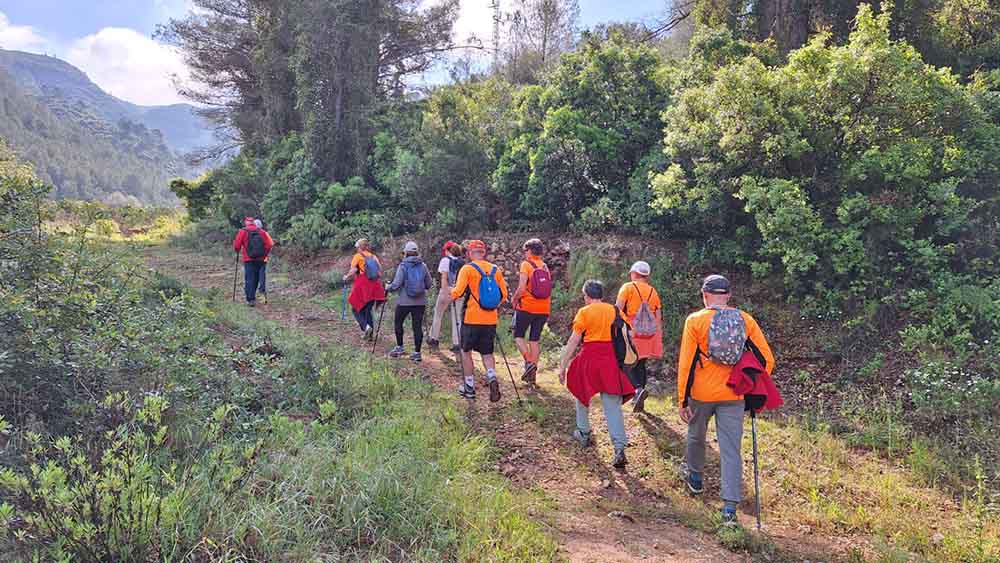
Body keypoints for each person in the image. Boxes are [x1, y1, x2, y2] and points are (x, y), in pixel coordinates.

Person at [677, 274, 775, 525]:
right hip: (734, 394)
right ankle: (730, 508)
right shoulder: (745, 319)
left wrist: (682, 399)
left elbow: (686, 364)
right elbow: (766, 360)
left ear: (704, 295)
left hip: (701, 393)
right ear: (729, 295)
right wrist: (748, 382)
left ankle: (695, 479)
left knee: (696, 435)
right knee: (731, 449)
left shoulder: (695, 321)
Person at [558, 279, 635, 469]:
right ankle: (619, 448)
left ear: (586, 296)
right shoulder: (614, 310)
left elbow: (574, 341)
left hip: (589, 358)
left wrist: (563, 365)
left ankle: (583, 432)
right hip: (609, 359)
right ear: (601, 294)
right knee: (612, 406)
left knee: (580, 392)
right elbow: (628, 335)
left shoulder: (584, 312)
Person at [450, 240, 509, 402]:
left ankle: (469, 387)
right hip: (490, 319)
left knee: (466, 351)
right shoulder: (495, 270)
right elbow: (504, 295)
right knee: (487, 353)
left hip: (472, 318)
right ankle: (491, 376)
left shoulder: (467, 269)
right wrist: (492, 307)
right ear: (483, 253)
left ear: (469, 253)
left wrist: (450, 291)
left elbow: (457, 292)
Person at [615, 261, 664, 413]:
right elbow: (658, 316)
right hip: (648, 334)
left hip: (632, 332)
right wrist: (656, 337)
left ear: (634, 274)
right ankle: (640, 397)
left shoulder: (628, 287)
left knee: (625, 364)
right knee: (641, 365)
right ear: (646, 276)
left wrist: (624, 326)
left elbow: (617, 309)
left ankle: (636, 391)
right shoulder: (653, 291)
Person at [512, 238, 552, 385]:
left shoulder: (526, 264)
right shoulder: (545, 267)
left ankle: (529, 362)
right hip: (544, 308)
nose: (524, 253)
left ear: (529, 251)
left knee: (518, 335)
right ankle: (532, 375)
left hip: (527, 307)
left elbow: (522, 288)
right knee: (534, 340)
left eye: (525, 250)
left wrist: (514, 299)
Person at [385, 241, 433, 362]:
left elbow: (396, 284)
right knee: (417, 326)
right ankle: (417, 353)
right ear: (417, 252)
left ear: (405, 253)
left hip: (404, 301)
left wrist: (388, 287)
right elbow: (429, 284)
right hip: (420, 302)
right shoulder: (423, 266)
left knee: (398, 322)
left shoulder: (403, 266)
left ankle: (400, 347)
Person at [343, 238, 387, 340]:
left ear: (359, 247)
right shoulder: (373, 256)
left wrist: (346, 277)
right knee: (368, 310)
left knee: (355, 308)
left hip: (363, 285)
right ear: (366, 246)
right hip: (374, 286)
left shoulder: (358, 256)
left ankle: (366, 327)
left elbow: (353, 270)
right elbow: (379, 271)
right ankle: (370, 336)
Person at [428, 241, 464, 353]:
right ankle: (457, 343)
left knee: (438, 314)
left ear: (448, 250)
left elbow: (444, 278)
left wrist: (445, 292)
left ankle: (434, 338)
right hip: (459, 291)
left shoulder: (445, 260)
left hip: (447, 290)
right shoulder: (463, 262)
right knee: (457, 317)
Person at [232, 216, 274, 307]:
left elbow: (237, 245)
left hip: (248, 259)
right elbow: (270, 244)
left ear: (246, 222)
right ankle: (253, 297)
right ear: (254, 223)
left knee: (249, 278)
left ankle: (250, 299)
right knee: (256, 278)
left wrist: (237, 250)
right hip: (260, 259)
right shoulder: (261, 231)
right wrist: (264, 254)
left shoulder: (243, 231)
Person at [253, 219, 270, 303]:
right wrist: (265, 253)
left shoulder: (250, 233)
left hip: (252, 258)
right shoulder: (264, 233)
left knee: (253, 276)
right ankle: (262, 293)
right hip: (263, 258)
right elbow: (271, 244)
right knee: (262, 275)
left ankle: (252, 294)